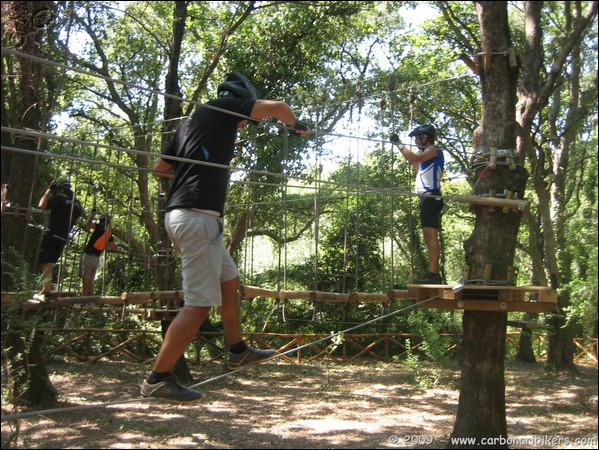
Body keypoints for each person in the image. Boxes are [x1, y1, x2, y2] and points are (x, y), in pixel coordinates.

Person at [142, 71, 311, 401]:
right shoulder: (221, 107)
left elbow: (160, 167)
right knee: (200, 304)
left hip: (192, 219)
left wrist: (193, 169)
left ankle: (237, 350)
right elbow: (280, 107)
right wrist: (294, 125)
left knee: (228, 282)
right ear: (238, 98)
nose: (246, 125)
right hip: (196, 218)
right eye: (246, 118)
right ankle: (157, 379)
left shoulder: (192, 124)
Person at [390, 124, 444, 284]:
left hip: (431, 197)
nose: (415, 141)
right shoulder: (426, 157)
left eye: (418, 137)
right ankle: (433, 273)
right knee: (428, 237)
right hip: (425, 198)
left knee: (431, 236)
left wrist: (398, 143)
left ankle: (434, 274)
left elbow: (414, 158)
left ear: (426, 137)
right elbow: (416, 165)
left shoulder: (434, 150)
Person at [34, 180, 84, 301]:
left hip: (52, 234)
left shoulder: (60, 198)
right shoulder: (77, 204)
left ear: (59, 189)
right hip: (63, 237)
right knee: (50, 263)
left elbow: (42, 205)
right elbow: (84, 217)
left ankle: (46, 292)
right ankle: (46, 290)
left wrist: (49, 190)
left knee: (47, 263)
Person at [80, 213, 117, 296]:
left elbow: (87, 225)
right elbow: (114, 247)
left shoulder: (100, 226)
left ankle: (84, 301)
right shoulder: (109, 233)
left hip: (89, 256)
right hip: (96, 258)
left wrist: (92, 214)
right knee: (90, 281)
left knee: (86, 280)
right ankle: (89, 301)